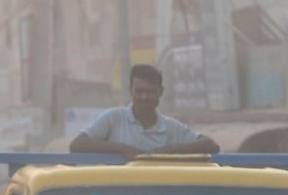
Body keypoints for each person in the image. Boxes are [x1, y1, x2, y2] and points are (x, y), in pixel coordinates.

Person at [70, 64, 221, 160]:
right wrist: (122, 149)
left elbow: (211, 146)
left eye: (150, 92)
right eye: (139, 91)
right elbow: (77, 145)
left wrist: (172, 150)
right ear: (131, 91)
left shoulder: (171, 128)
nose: (144, 97)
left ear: (160, 92)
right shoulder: (113, 118)